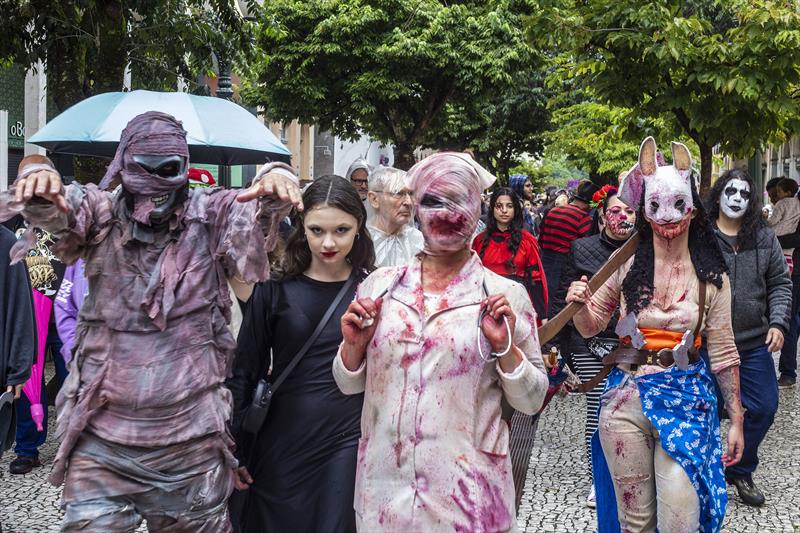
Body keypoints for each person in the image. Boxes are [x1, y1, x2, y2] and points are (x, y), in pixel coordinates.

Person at [0, 111, 302, 532]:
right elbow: (63, 210)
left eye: (168, 169)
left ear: (184, 166)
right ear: (123, 164)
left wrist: (276, 178)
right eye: (144, 167)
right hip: (104, 439)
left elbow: (251, 208)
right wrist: (41, 185)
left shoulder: (207, 214)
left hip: (189, 442)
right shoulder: (102, 213)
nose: (155, 183)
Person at [332, 152, 549, 532]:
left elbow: (531, 401)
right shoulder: (380, 288)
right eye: (434, 200)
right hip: (386, 494)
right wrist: (353, 349)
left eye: (458, 200)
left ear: (478, 207)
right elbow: (348, 386)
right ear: (417, 207)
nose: (447, 213)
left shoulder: (504, 296)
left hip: (469, 497)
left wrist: (506, 350)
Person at [567, 137, 744, 533]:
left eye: (678, 204)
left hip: (687, 400)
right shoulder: (626, 264)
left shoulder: (712, 276)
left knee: (681, 519)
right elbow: (591, 325)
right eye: (656, 206)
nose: (667, 217)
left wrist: (736, 419)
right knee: (635, 523)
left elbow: (723, 352)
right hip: (625, 399)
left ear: (692, 208)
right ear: (645, 211)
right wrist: (579, 305)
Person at [228, 175, 375, 532]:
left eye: (341, 230)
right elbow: (244, 370)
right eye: (316, 230)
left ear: (358, 227)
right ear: (302, 227)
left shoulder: (374, 288)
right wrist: (235, 450)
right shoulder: (274, 288)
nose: (328, 242)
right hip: (280, 441)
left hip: (347, 440)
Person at [705, 169, 791, 506]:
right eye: (731, 191)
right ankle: (705, 472)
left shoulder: (764, 237)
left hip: (753, 343)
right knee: (706, 410)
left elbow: (780, 283)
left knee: (765, 407)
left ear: (752, 199)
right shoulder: (701, 235)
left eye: (744, 193)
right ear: (718, 195)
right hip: (707, 344)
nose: (737, 199)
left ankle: (739, 469)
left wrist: (778, 323)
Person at [549, 183, 636, 508]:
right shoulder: (581, 248)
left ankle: (629, 472)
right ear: (602, 215)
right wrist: (553, 347)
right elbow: (563, 299)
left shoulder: (646, 250)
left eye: (630, 210)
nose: (623, 216)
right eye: (616, 210)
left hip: (630, 344)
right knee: (600, 406)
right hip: (588, 342)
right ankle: (599, 480)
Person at [4, 156, 67, 476]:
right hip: (25, 316)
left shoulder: (68, 212)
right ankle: (28, 448)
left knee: (74, 380)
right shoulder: (10, 217)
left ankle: (75, 445)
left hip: (65, 315)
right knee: (26, 380)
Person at [472, 187, 548, 321]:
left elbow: (535, 280)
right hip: (486, 306)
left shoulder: (527, 241)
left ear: (515, 209)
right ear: (492, 209)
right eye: (499, 206)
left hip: (518, 305)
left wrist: (542, 316)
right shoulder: (479, 241)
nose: (504, 210)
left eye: (509, 206)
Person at [539, 180, 599, 314]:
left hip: (544, 258)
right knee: (556, 301)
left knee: (543, 294)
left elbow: (541, 237)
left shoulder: (552, 211)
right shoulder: (583, 218)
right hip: (563, 263)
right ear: (589, 204)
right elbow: (587, 245)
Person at [366, 166, 424, 267]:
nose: (409, 202)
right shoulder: (361, 240)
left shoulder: (418, 241)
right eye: (398, 194)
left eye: (411, 194)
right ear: (374, 199)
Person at [765, 177, 800, 273]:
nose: (772, 200)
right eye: (770, 196)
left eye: (776, 194)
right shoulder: (796, 204)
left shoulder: (782, 203)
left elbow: (772, 222)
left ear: (787, 193)